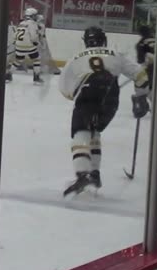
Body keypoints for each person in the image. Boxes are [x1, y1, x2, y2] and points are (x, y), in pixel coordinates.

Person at [60, 26, 150, 196]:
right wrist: (140, 97)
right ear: (104, 40)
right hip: (110, 95)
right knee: (94, 132)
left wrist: (77, 97)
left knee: (81, 132)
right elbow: (140, 74)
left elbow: (64, 87)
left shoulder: (75, 58)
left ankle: (82, 174)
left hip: (87, 91)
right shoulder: (115, 53)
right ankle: (94, 174)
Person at [6, 7, 46, 83]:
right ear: (32, 16)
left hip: (19, 45)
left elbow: (15, 36)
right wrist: (36, 42)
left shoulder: (22, 23)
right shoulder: (33, 23)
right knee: (37, 59)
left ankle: (8, 74)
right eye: (35, 15)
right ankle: (36, 77)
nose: (36, 17)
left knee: (19, 60)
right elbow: (34, 36)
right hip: (28, 46)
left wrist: (16, 43)